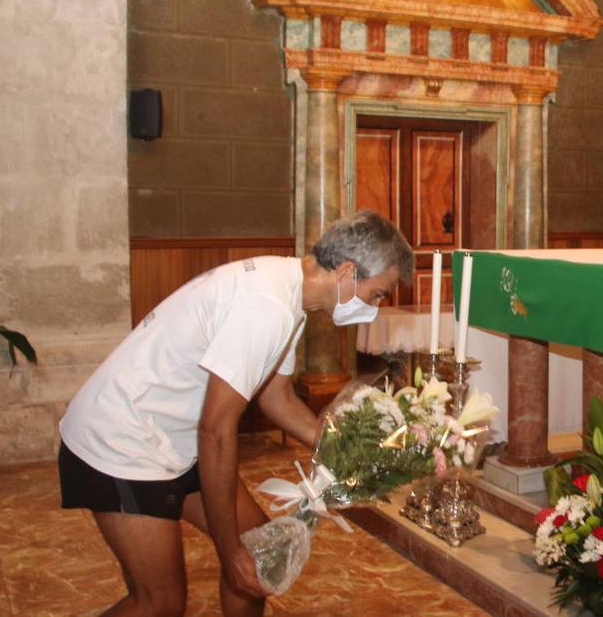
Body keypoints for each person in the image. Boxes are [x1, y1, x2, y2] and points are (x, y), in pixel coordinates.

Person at [58, 210, 413, 616]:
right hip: (122, 440)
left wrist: (341, 448)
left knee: (259, 554)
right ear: (347, 271)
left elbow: (276, 397)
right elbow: (216, 430)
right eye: (377, 294)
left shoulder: (289, 295)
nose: (374, 307)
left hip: (169, 436)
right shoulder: (268, 306)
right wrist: (229, 551)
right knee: (160, 603)